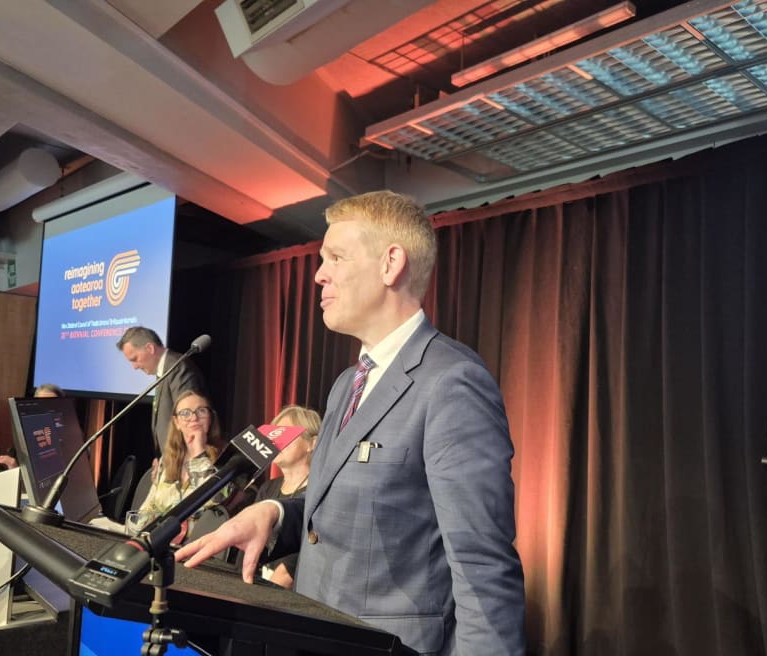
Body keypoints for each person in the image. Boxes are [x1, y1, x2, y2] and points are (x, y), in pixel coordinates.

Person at [176, 190, 526, 655]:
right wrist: (275, 513)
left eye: (335, 257)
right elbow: (347, 512)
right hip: (317, 633)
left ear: (390, 264)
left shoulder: (452, 382)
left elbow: (483, 567)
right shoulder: (347, 383)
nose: (319, 274)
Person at [133, 390, 227, 541]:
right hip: (161, 543)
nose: (194, 417)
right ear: (176, 422)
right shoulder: (167, 460)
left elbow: (215, 502)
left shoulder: (226, 458)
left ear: (211, 418)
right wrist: (134, 537)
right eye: (185, 413)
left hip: (200, 546)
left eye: (201, 411)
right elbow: (148, 508)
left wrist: (199, 454)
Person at [251, 404, 321, 588]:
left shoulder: (318, 492)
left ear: (312, 443)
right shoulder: (267, 489)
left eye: (286, 433)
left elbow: (291, 568)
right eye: (275, 433)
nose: (276, 440)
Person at [116, 327, 206, 455]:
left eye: (135, 359)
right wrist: (161, 458)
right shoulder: (165, 370)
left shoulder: (178, 368)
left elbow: (190, 422)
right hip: (170, 458)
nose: (135, 367)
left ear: (150, 348)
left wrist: (177, 461)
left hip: (182, 458)